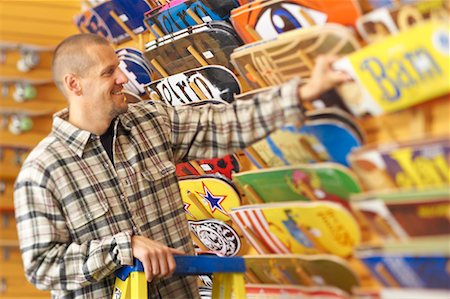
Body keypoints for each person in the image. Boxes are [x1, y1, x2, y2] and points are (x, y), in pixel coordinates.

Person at [14, 33, 350, 299]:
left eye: (119, 66)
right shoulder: (41, 172)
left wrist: (304, 92)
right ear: (75, 85)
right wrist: (122, 248)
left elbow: (226, 124)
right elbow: (43, 267)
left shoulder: (151, 122)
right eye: (109, 72)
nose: (123, 77)